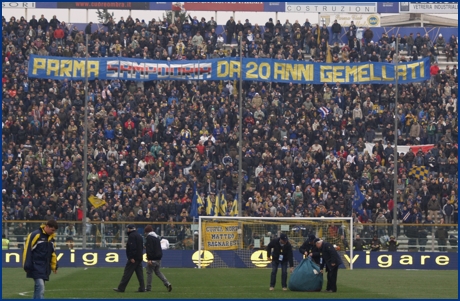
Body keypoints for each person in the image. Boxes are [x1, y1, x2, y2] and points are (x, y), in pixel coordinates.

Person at [22, 219, 59, 299]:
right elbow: (27, 249)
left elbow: (53, 253)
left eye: (54, 231)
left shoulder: (51, 239)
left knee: (38, 289)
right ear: (47, 226)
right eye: (52, 230)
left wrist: (54, 266)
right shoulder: (36, 235)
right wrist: (26, 265)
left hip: (45, 268)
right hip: (35, 266)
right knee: (40, 287)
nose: (53, 232)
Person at [113, 224, 145, 292]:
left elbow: (132, 247)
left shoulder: (131, 236)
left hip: (134, 258)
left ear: (130, 229)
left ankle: (121, 288)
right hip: (139, 257)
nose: (127, 230)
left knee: (127, 273)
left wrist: (131, 257)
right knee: (140, 274)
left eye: (128, 228)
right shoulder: (139, 236)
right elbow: (141, 247)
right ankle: (142, 288)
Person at [144, 225, 172, 292]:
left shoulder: (149, 238)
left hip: (153, 258)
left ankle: (148, 287)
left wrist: (149, 259)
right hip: (158, 258)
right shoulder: (156, 237)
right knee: (158, 272)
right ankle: (167, 283)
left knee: (149, 272)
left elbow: (150, 249)